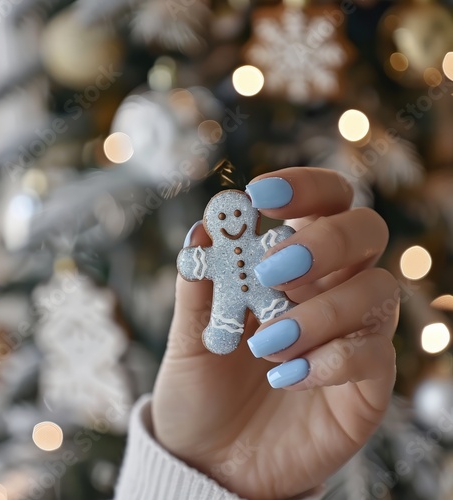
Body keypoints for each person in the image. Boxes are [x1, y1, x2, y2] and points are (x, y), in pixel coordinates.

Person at [115, 167, 398, 499]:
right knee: (225, 316)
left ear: (249, 216)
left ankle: (277, 319)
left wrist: (281, 242)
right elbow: (197, 262)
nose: (233, 219)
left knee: (273, 309)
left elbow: (273, 239)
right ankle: (225, 330)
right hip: (228, 299)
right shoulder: (216, 252)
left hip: (265, 293)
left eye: (237, 212)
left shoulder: (259, 244)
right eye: (225, 215)